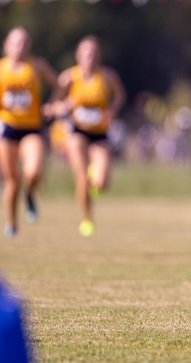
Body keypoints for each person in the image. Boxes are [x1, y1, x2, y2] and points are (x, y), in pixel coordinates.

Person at [53, 36, 126, 237]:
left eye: (93, 52)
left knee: (102, 183)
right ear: (78, 55)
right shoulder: (68, 77)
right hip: (76, 132)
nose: (90, 56)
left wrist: (112, 109)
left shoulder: (108, 76)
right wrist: (62, 106)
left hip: (100, 133)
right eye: (86, 52)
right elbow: (55, 104)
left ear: (98, 56)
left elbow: (120, 96)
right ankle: (87, 219)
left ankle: (95, 177)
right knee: (82, 178)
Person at [0, 27, 58, 237]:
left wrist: (52, 104)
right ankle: (11, 223)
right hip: (6, 127)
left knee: (34, 171)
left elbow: (59, 85)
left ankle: (30, 194)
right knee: (12, 180)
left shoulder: (37, 65)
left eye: (25, 42)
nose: (20, 46)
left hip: (32, 127)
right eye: (16, 42)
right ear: (6, 44)